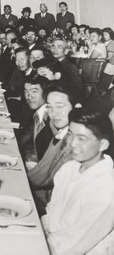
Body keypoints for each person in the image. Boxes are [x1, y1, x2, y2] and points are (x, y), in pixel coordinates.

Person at [42, 108, 114, 255]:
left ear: (103, 145)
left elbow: (75, 242)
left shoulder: (106, 188)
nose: (72, 143)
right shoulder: (69, 168)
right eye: (70, 134)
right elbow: (52, 210)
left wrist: (38, 243)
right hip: (52, 240)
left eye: (81, 138)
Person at [28, 83, 76, 213]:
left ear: (77, 107)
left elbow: (41, 179)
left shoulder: (73, 142)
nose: (54, 113)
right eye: (49, 107)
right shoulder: (62, 132)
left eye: (60, 106)